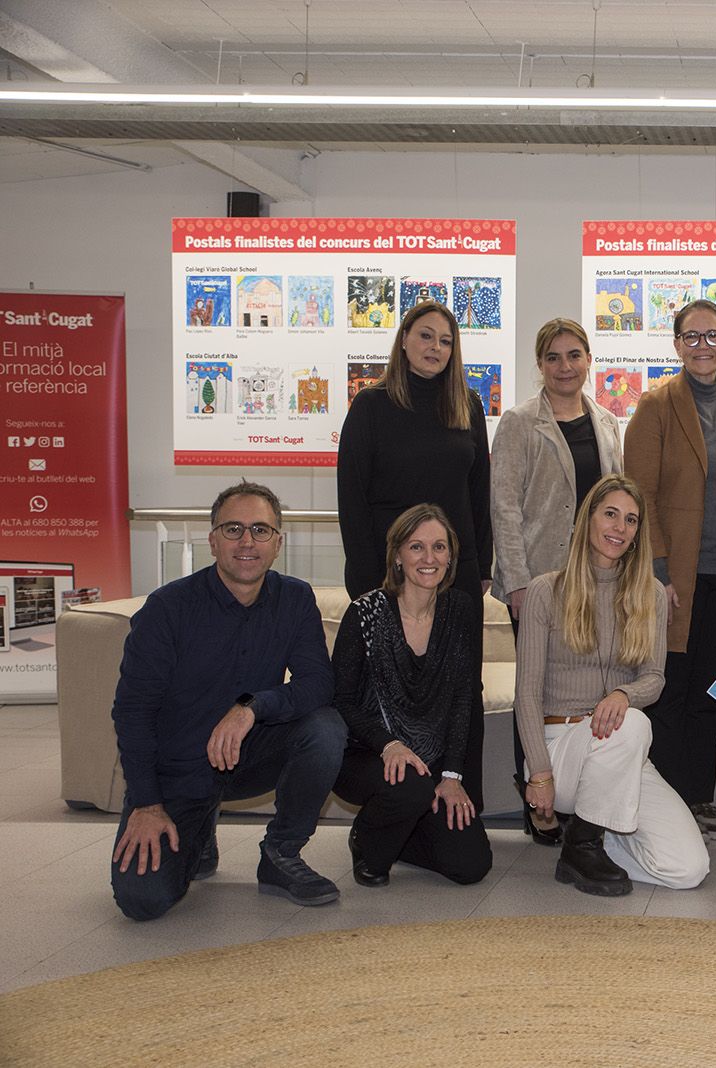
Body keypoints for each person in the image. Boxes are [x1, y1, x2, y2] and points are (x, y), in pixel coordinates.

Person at [109, 481, 345, 920]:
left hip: (249, 756)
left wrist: (251, 707)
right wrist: (146, 804)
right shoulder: (166, 609)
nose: (247, 542)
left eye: (261, 530)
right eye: (233, 529)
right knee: (142, 900)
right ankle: (198, 831)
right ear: (212, 540)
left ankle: (280, 854)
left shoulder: (294, 599)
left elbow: (318, 684)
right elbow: (132, 712)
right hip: (180, 771)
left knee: (325, 728)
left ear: (278, 543)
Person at [515, 475, 710, 896]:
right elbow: (526, 694)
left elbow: (654, 679)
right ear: (588, 520)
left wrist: (624, 694)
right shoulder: (545, 591)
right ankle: (583, 844)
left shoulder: (652, 595)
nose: (619, 528)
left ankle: (593, 838)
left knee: (688, 869)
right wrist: (541, 775)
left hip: (621, 750)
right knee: (635, 725)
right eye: (610, 514)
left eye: (631, 520)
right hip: (561, 747)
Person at [338, 299, 492, 807]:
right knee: (387, 691)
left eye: (446, 341)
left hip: (455, 575)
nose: (435, 348)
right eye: (426, 336)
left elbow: (479, 493)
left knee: (462, 690)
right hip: (388, 578)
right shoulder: (371, 406)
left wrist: (481, 566)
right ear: (403, 340)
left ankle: (461, 798)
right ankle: (399, 802)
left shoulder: (466, 405)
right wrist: (366, 584)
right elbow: (352, 499)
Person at [623, 297, 716, 838]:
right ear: (677, 344)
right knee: (671, 691)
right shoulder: (656, 407)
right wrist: (658, 575)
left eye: (713, 336)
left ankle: (699, 801)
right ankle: (667, 804)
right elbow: (641, 495)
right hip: (674, 575)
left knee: (711, 691)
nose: (703, 346)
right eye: (691, 337)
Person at [491, 316, 623, 811]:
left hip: (595, 578)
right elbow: (503, 506)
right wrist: (519, 584)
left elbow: (618, 499)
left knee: (583, 684)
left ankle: (583, 796)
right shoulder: (520, 422)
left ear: (589, 360)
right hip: (539, 578)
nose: (564, 366)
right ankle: (536, 795)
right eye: (553, 357)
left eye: (574, 355)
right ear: (540, 365)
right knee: (534, 689)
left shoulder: (607, 422)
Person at [331, 504, 492, 888]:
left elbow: (462, 700)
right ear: (398, 555)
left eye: (439, 547)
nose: (429, 558)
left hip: (431, 760)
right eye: (417, 547)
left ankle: (401, 832)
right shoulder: (365, 613)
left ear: (451, 556)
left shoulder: (460, 610)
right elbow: (341, 700)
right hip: (368, 754)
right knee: (410, 787)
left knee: (471, 865)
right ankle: (367, 839)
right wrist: (388, 744)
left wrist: (452, 776)